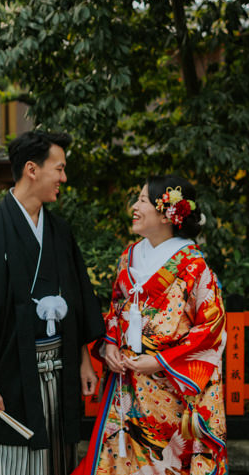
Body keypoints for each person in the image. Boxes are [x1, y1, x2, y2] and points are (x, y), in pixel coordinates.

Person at [0, 130, 106, 475]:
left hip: (59, 369)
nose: (63, 177)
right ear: (32, 169)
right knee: (11, 460)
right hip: (9, 374)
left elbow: (75, 299)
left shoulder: (59, 231)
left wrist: (84, 359)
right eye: (58, 169)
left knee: (58, 456)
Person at [75, 175, 227, 475]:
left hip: (172, 389)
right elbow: (115, 313)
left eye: (143, 200)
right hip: (128, 385)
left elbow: (211, 330)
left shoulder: (194, 267)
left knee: (168, 464)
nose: (135, 206)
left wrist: (159, 360)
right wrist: (109, 346)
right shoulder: (129, 258)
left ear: (167, 213)